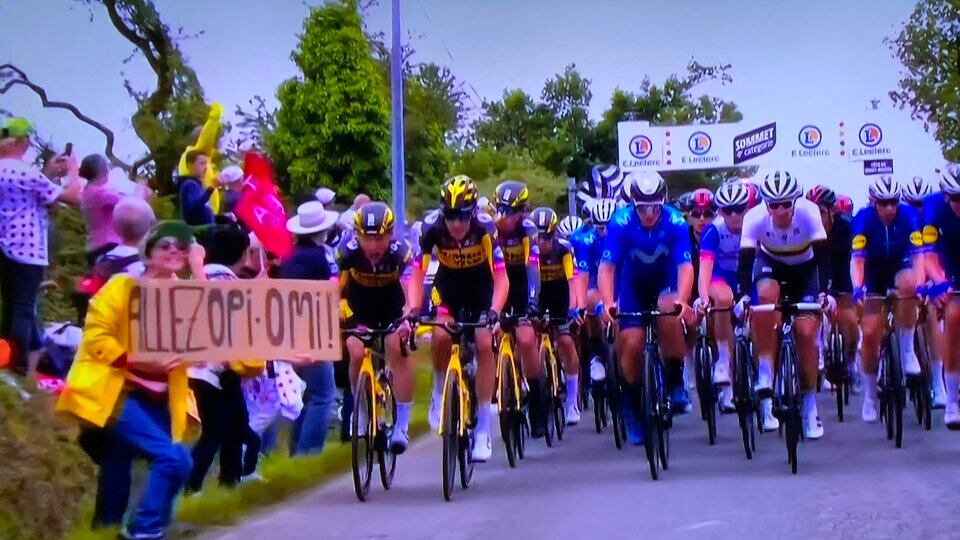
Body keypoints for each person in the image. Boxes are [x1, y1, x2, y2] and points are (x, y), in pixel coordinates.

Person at [56, 220, 204, 539]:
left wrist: (199, 268)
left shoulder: (183, 293)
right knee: (170, 457)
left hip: (162, 396)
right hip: (120, 391)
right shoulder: (123, 286)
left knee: (175, 461)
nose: (173, 252)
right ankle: (144, 529)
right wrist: (135, 358)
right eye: (165, 245)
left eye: (181, 247)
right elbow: (96, 337)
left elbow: (213, 329)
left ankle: (146, 526)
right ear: (148, 252)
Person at [407, 175, 509, 462]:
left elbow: (501, 277)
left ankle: (484, 431)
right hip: (448, 285)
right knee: (440, 335)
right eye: (451, 216)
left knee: (483, 341)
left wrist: (494, 312)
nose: (456, 224)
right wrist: (414, 308)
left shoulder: (485, 229)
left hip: (480, 286)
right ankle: (440, 392)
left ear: (473, 212)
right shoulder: (431, 229)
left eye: (462, 216)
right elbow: (417, 272)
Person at [599, 171, 694, 444]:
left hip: (666, 281)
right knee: (632, 342)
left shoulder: (676, 220)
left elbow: (685, 266)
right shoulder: (620, 221)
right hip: (633, 285)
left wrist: (683, 301)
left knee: (669, 309)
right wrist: (608, 303)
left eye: (655, 206)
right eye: (643, 207)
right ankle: (632, 405)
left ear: (663, 202)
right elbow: (606, 267)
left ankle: (676, 379)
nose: (650, 213)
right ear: (633, 204)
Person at [736, 170, 832, 439]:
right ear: (766, 204)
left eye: (785, 204)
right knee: (765, 300)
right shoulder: (753, 218)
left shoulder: (810, 212)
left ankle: (811, 406)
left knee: (805, 334)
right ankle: (766, 372)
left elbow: (823, 259)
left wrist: (825, 292)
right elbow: (745, 264)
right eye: (774, 205)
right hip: (771, 265)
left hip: (806, 269)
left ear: (795, 202)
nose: (780, 210)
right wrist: (743, 297)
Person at [0, 117, 82, 376]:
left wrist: (48, 170)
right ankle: (20, 367)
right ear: (23, 142)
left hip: (3, 246)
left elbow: (37, 192)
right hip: (27, 248)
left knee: (9, 305)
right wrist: (73, 169)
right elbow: (72, 197)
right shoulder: (25, 172)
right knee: (24, 309)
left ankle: (5, 360)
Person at [187, 224, 265, 492]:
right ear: (242, 254)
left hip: (196, 369)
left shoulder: (199, 279)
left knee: (236, 428)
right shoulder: (229, 284)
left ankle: (232, 480)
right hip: (218, 372)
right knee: (215, 433)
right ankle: (192, 486)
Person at [339, 202, 415, 453]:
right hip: (359, 305)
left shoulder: (399, 252)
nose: (373, 246)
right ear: (357, 235)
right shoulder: (346, 251)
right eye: (367, 238)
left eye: (380, 238)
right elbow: (334, 288)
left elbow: (407, 285)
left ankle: (402, 424)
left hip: (392, 305)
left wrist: (408, 313)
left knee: (396, 347)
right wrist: (337, 315)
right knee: (356, 351)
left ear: (390, 234)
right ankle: (359, 409)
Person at [850, 176, 925, 423]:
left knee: (909, 283)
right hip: (873, 272)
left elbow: (919, 256)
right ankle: (870, 394)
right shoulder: (862, 218)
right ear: (874, 202)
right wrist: (858, 287)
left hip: (900, 264)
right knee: (871, 334)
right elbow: (858, 259)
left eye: (893, 202)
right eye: (883, 203)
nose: (889, 208)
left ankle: (906, 350)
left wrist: (921, 284)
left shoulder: (908, 216)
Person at [280, 200, 340, 454]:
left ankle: (296, 450)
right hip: (313, 330)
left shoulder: (290, 258)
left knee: (305, 395)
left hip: (288, 331)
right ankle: (309, 451)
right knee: (323, 394)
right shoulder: (320, 258)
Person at [493, 180, 546, 436]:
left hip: (523, 284)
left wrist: (532, 304)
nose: (505, 217)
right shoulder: (489, 227)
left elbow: (532, 267)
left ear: (523, 211)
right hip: (497, 283)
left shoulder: (528, 230)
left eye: (512, 211)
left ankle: (537, 398)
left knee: (525, 339)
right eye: (501, 209)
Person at [695, 181, 751, 413]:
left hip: (749, 275)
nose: (735, 215)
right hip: (723, 277)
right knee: (722, 300)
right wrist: (703, 297)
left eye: (739, 208)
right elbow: (705, 270)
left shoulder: (755, 224)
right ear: (720, 212)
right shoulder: (713, 230)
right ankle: (723, 362)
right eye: (728, 210)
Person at [530, 207, 583, 424]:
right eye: (538, 237)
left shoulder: (564, 249)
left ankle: (572, 400)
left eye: (547, 237)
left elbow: (573, 281)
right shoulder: (528, 249)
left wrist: (574, 308)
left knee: (565, 340)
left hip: (561, 293)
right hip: (539, 294)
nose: (542, 242)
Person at [806, 185, 859, 393]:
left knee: (850, 322)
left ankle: (852, 365)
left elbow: (853, 261)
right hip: (816, 274)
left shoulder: (846, 228)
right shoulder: (805, 228)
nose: (815, 217)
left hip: (842, 274)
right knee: (813, 318)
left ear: (832, 211)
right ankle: (820, 355)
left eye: (820, 212)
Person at [903, 175, 947, 407]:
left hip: (929, 273)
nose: (917, 209)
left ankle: (939, 384)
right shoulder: (900, 220)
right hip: (903, 271)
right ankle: (884, 364)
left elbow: (937, 257)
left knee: (931, 313)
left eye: (921, 204)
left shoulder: (934, 222)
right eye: (912, 204)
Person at [922, 164, 960, 427]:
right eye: (956, 199)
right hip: (948, 261)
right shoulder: (933, 208)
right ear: (946, 196)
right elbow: (928, 255)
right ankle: (953, 401)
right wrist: (940, 283)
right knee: (955, 315)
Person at [570, 199, 615, 387]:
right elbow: (582, 275)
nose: (604, 232)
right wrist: (580, 304)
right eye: (599, 227)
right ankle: (596, 354)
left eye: (608, 227)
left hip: (620, 284)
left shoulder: (624, 236)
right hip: (595, 285)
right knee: (590, 301)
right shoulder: (587, 241)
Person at [79, 154, 123, 265]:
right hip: (109, 246)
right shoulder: (102, 194)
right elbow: (129, 207)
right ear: (103, 170)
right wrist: (141, 191)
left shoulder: (87, 192)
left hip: (93, 247)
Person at [176, 150, 216, 226]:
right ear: (190, 166)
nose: (206, 167)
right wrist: (210, 190)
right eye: (202, 163)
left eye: (206, 163)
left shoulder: (197, 184)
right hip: (200, 232)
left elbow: (204, 211)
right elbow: (195, 207)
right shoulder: (190, 184)